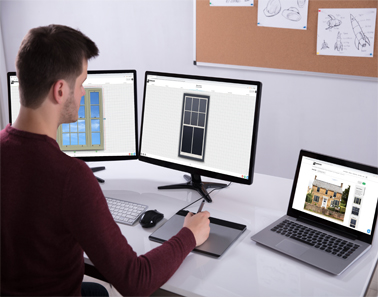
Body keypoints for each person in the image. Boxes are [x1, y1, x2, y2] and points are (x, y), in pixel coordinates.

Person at [0, 24, 211, 297]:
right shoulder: (69, 176)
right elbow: (135, 281)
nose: (84, 93)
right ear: (60, 90)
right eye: (83, 83)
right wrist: (189, 236)